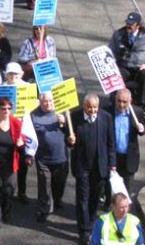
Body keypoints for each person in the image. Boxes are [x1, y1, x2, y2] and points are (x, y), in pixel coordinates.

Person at [68, 93, 116, 244]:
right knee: (82, 198)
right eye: (89, 108)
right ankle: (83, 231)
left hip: (100, 167)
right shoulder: (74, 118)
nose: (93, 111)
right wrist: (70, 141)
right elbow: (68, 140)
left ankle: (90, 224)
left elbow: (111, 143)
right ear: (84, 106)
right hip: (82, 166)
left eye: (95, 107)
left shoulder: (106, 118)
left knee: (94, 198)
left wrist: (112, 163)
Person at [0, 97, 24, 231]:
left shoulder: (16, 123)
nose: (6, 111)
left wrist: (21, 143)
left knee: (9, 189)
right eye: (3, 108)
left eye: (8, 108)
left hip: (10, 163)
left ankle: (6, 209)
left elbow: (22, 139)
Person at [28, 91, 68, 222]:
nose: (48, 103)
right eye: (45, 101)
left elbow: (72, 133)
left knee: (59, 182)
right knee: (44, 185)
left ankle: (57, 198)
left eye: (50, 101)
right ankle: (43, 210)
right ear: (40, 101)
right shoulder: (33, 115)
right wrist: (29, 154)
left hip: (60, 157)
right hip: (43, 158)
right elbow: (29, 135)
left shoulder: (62, 113)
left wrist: (65, 123)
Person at [106, 89, 145, 195]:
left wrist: (142, 128)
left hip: (129, 158)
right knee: (111, 190)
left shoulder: (137, 112)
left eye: (124, 102)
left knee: (126, 192)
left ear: (130, 101)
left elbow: (142, 130)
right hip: (113, 157)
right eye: (119, 101)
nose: (121, 104)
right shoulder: (108, 112)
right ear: (115, 99)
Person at [109, 12, 145, 105]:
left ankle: (141, 105)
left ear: (138, 25)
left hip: (139, 68)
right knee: (115, 76)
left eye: (131, 24)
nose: (128, 26)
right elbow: (110, 50)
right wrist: (111, 59)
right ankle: (114, 103)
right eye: (127, 23)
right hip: (124, 67)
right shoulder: (118, 34)